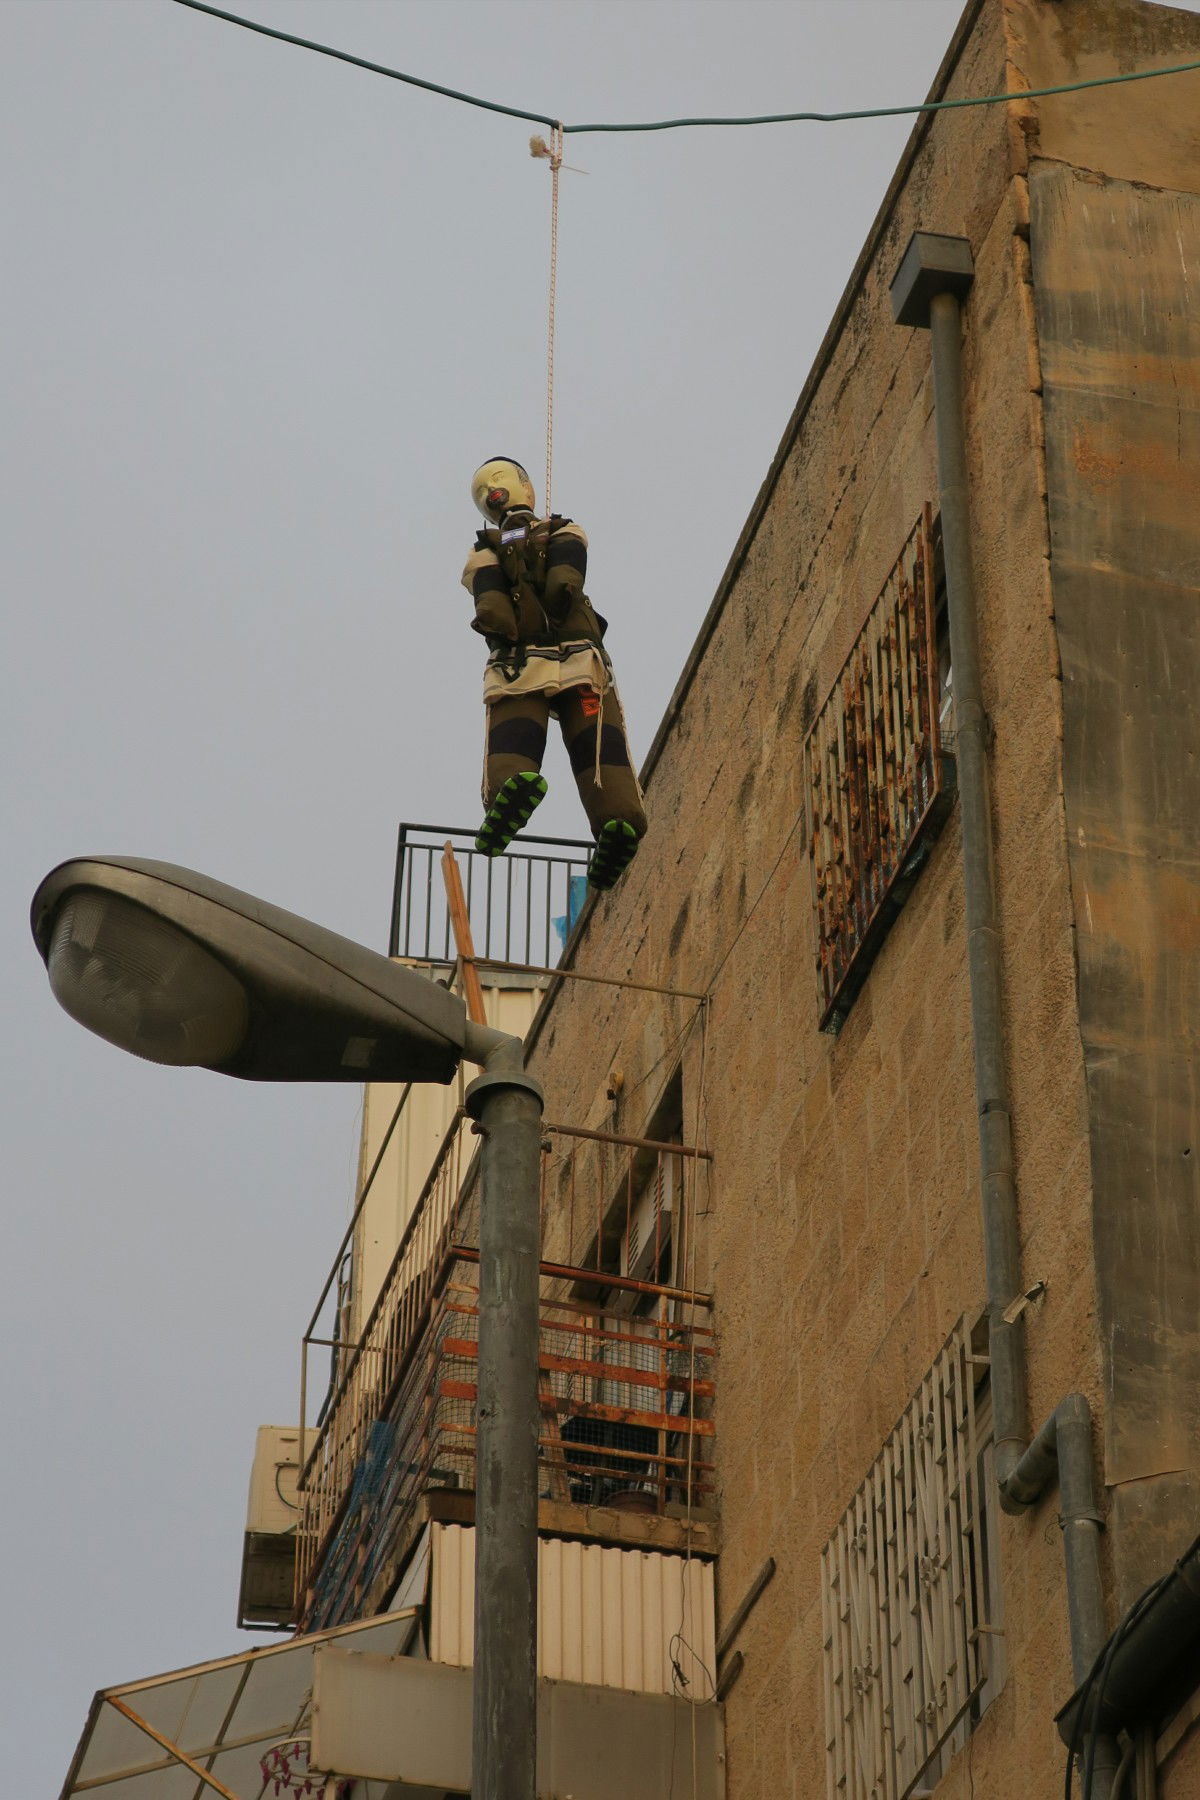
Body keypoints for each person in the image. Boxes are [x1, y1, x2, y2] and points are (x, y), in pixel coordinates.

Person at [461, 456, 647, 891]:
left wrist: (502, 624)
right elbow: (565, 581)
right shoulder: (558, 533)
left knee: (523, 724)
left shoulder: (487, 551)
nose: (492, 491)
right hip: (573, 656)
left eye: (495, 482)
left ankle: (515, 791)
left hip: (520, 659)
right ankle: (614, 816)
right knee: (594, 736)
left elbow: (491, 606)